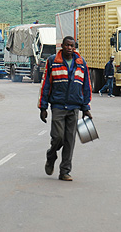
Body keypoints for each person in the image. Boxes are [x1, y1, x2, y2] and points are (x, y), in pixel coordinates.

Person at [38, 36, 92, 181]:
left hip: (74, 107)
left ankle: (65, 171)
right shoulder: (52, 61)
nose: (69, 48)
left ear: (75, 47)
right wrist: (43, 107)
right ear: (62, 46)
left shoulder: (81, 63)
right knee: (58, 137)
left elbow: (86, 86)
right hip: (58, 106)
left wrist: (86, 107)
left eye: (72, 46)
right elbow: (45, 86)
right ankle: (51, 155)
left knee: (70, 140)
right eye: (67, 45)